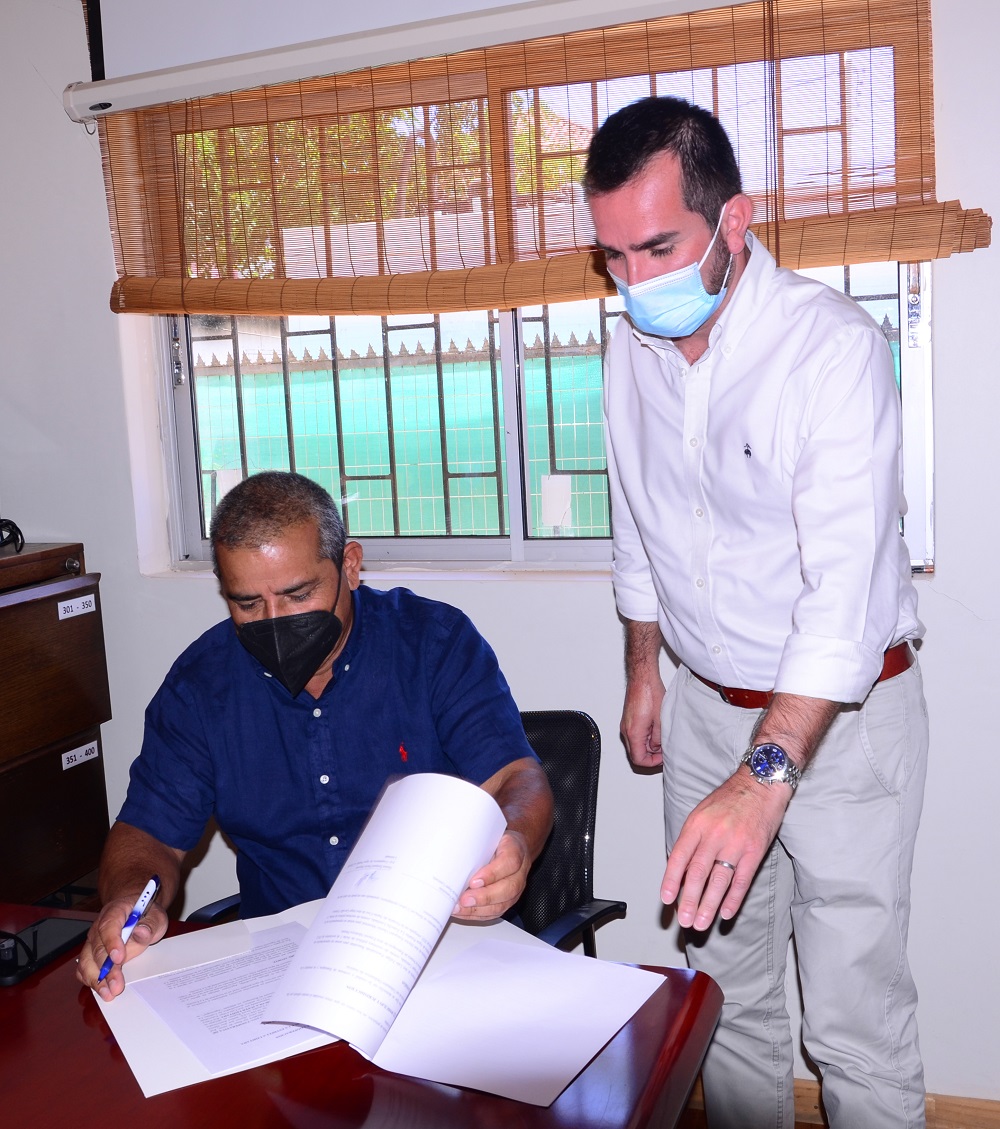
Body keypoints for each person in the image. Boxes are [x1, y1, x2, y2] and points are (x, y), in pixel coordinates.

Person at [584, 97, 928, 1129]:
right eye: (612, 258)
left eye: (658, 248)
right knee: (724, 1001)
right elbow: (638, 524)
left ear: (734, 219)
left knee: (854, 1021)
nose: (635, 281)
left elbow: (844, 596)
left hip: (841, 725)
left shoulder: (831, 349)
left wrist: (765, 773)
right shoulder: (628, 353)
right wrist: (644, 671)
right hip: (703, 708)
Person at [78, 471, 553, 1002]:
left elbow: (516, 777)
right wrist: (130, 902)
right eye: (247, 604)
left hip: (441, 952)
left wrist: (515, 841)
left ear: (349, 565)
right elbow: (149, 836)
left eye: (297, 595)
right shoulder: (201, 687)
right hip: (282, 968)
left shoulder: (432, 645)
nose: (274, 622)